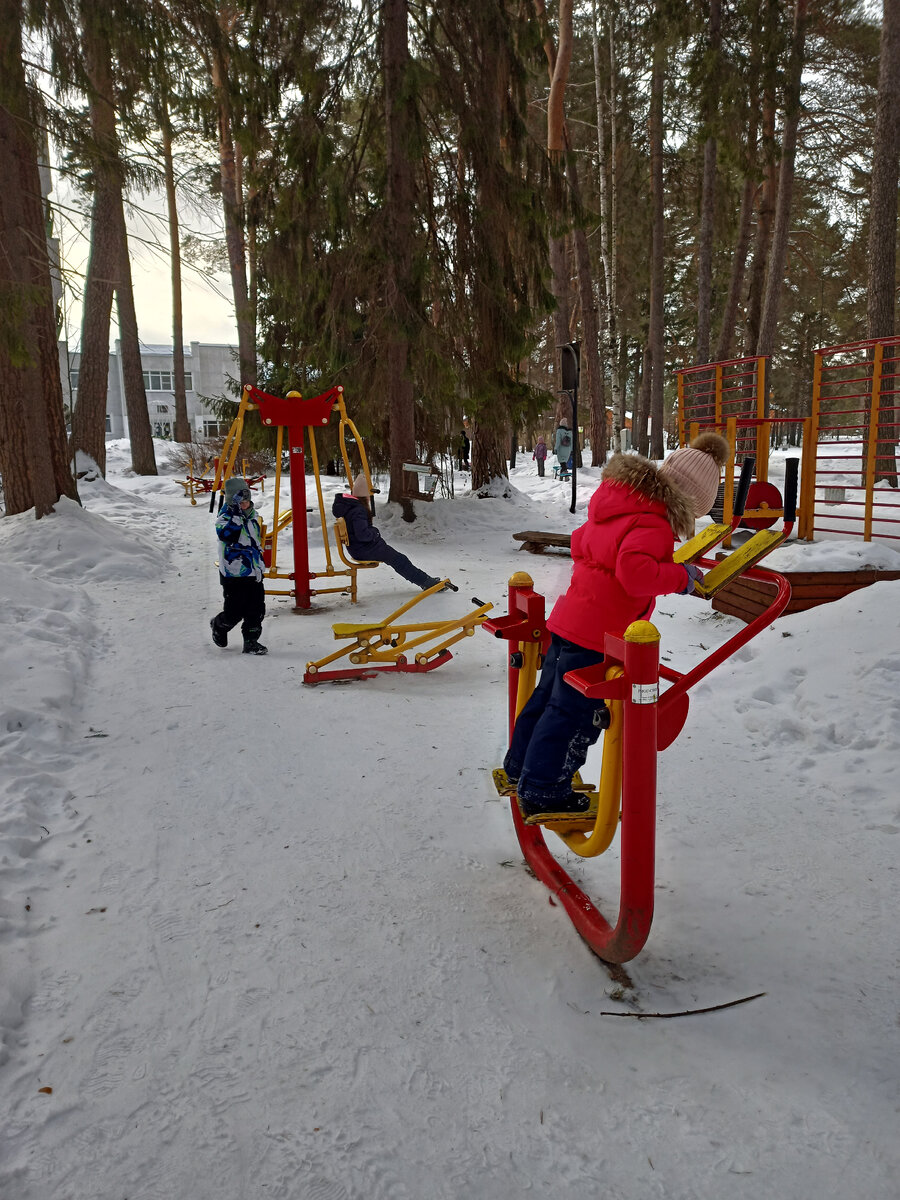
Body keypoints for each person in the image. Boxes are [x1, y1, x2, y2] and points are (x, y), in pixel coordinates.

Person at [503, 432, 729, 823]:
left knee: (545, 701)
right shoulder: (654, 524)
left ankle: (519, 768)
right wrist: (681, 577)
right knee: (572, 715)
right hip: (597, 635)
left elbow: (579, 542)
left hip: (570, 621)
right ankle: (543, 790)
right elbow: (634, 574)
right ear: (688, 502)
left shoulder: (621, 504)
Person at [332, 474, 458, 593]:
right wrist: (375, 533)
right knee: (399, 559)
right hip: (365, 549)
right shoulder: (358, 511)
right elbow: (363, 535)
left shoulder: (350, 508)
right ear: (365, 496)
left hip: (360, 548)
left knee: (399, 558)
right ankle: (427, 582)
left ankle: (425, 580)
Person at [210, 477, 268, 655]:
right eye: (239, 502)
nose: (243, 505)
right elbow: (228, 536)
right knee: (235, 611)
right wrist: (235, 516)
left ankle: (251, 641)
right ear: (231, 502)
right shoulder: (224, 519)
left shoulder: (252, 518)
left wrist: (260, 562)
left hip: (253, 572)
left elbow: (255, 543)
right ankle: (220, 625)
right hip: (233, 573)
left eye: (246, 501)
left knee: (257, 609)